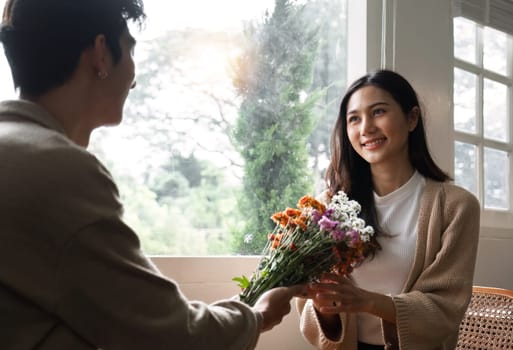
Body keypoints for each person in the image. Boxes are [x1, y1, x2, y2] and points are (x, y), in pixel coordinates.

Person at [0, 0, 304, 349]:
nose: (133, 77)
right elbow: (168, 333)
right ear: (101, 54)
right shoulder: (58, 172)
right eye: (129, 49)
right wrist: (258, 315)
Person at [296, 70, 480, 350]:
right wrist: (324, 309)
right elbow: (309, 313)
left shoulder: (455, 207)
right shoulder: (326, 207)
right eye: (354, 118)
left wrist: (368, 301)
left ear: (412, 118)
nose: (366, 128)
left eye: (378, 111)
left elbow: (446, 310)